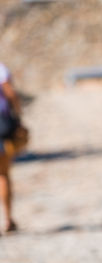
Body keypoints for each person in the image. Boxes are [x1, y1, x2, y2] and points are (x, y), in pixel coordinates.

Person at [0, 63, 27, 234]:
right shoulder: (1, 69)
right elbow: (10, 93)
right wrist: (18, 117)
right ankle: (8, 219)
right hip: (2, 126)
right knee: (3, 174)